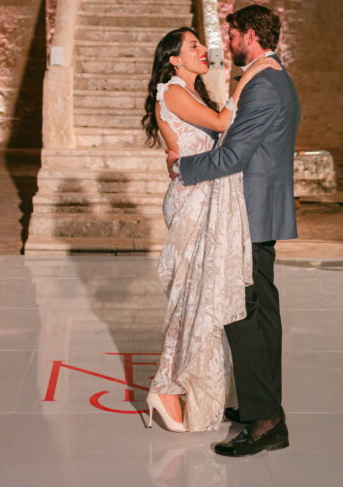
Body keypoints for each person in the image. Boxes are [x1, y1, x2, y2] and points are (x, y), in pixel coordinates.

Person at [168, 4, 300, 458]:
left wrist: (182, 167)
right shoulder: (274, 78)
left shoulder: (263, 84)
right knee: (261, 314)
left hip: (249, 213)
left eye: (233, 34)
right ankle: (263, 408)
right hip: (259, 210)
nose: (228, 43)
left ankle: (265, 422)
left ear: (251, 35)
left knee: (242, 313)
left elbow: (232, 157)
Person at [142, 25, 279, 434]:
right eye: (193, 46)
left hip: (203, 195)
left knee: (197, 298)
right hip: (191, 199)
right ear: (173, 59)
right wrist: (248, 78)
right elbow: (222, 123)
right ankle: (164, 387)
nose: (203, 50)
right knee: (188, 297)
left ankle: (173, 386)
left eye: (201, 43)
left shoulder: (190, 92)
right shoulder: (172, 91)